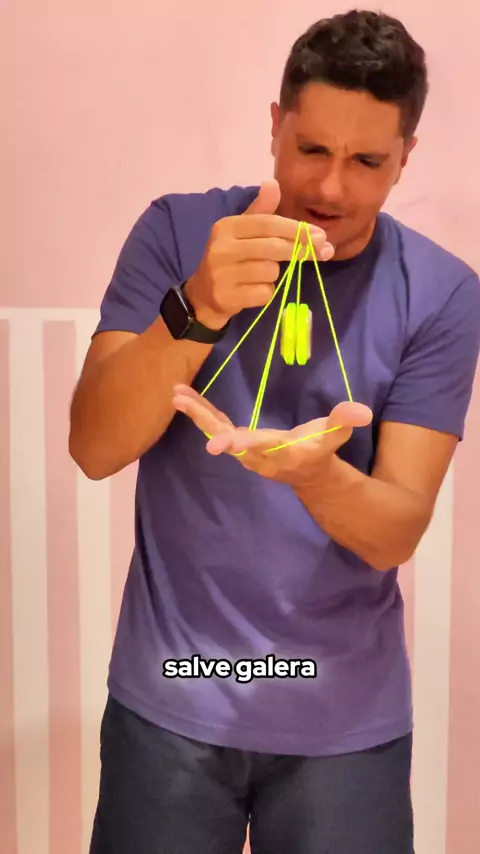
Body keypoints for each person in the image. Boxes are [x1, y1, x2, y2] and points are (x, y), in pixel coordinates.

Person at [69, 9, 480, 854]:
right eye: (311, 149)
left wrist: (315, 474)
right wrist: (198, 306)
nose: (331, 188)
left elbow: (396, 529)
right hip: (171, 699)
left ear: (407, 157)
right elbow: (95, 446)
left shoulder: (441, 294)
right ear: (274, 125)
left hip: (346, 722)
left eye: (367, 161)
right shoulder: (180, 233)